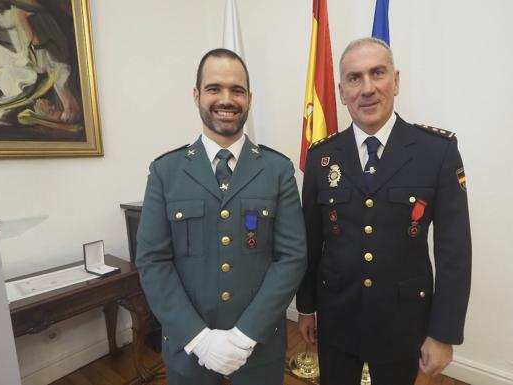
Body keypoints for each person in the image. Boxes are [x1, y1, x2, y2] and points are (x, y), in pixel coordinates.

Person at [296, 37, 472, 385]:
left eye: (378, 73)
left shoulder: (436, 152)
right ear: (341, 91)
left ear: (396, 81)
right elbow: (310, 239)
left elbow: (454, 251)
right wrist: (306, 307)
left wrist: (443, 333)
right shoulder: (321, 157)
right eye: (354, 78)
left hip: (403, 320)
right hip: (337, 315)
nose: (367, 88)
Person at [136, 48, 307, 385]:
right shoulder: (165, 172)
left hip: (259, 347)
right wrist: (199, 339)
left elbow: (292, 257)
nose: (226, 99)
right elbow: (152, 260)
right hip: (188, 349)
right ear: (197, 95)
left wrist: (244, 335)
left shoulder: (277, 170)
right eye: (214, 88)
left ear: (249, 98)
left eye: (237, 90)